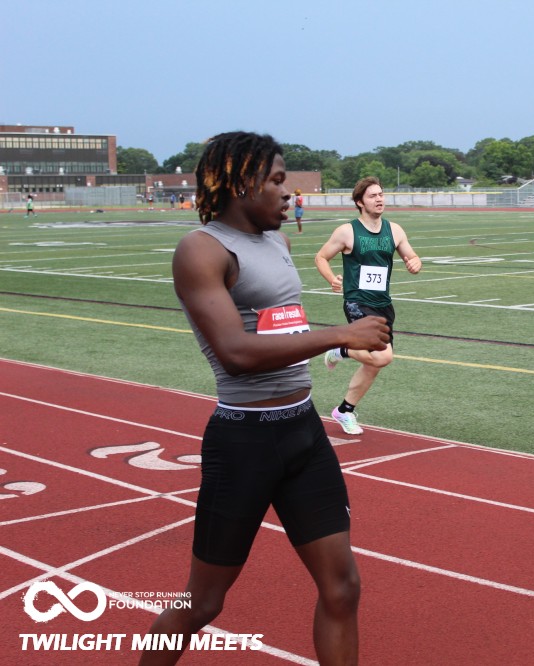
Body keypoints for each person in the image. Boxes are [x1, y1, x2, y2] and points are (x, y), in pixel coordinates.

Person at [139, 132, 389, 665]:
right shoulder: (202, 249)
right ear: (240, 184)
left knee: (343, 586)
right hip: (245, 443)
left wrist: (336, 338)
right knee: (204, 601)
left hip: (303, 432)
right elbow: (235, 353)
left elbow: (281, 328)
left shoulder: (278, 242)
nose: (288, 192)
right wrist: (341, 335)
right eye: (276, 180)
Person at [314, 176, 422, 435]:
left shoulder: (394, 230)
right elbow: (321, 257)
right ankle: (341, 350)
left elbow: (412, 256)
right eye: (373, 196)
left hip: (383, 304)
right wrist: (331, 279)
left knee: (374, 363)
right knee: (384, 356)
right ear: (360, 202)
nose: (379, 199)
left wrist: (415, 263)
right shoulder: (347, 231)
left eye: (381, 194)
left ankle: (345, 410)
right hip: (357, 302)